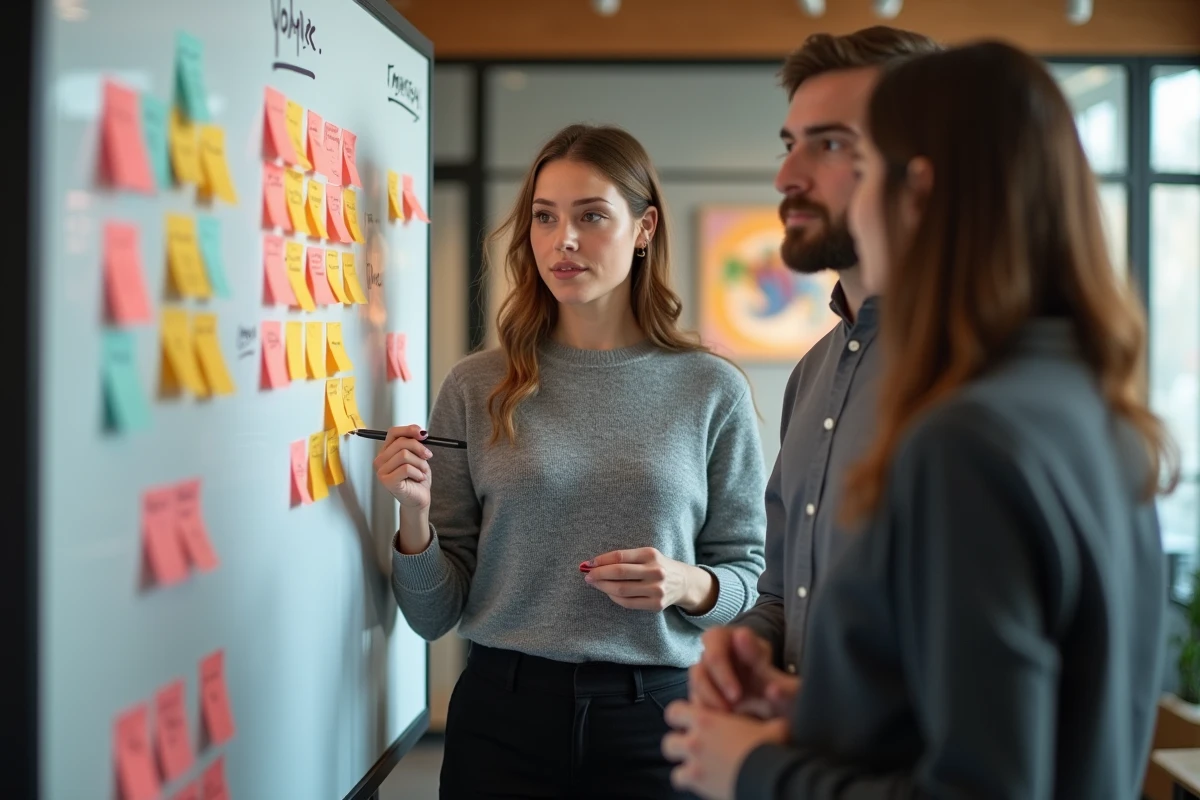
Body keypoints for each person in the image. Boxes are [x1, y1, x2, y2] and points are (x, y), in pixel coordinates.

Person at [663, 39, 1179, 800]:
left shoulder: (963, 437)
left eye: (857, 162)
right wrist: (821, 713)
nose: (792, 178)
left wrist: (755, 771)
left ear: (919, 190)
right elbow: (1021, 721)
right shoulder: (1087, 397)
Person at [372, 123, 767, 799]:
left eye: (591, 216)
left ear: (644, 228)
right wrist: (412, 517)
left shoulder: (710, 387)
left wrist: (685, 584)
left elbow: (750, 576)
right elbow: (434, 615)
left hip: (661, 717)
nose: (565, 241)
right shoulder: (476, 385)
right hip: (503, 716)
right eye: (545, 218)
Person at [688, 26, 941, 723]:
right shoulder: (813, 372)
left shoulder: (973, 376)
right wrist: (743, 648)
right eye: (789, 143)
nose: (786, 176)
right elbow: (782, 591)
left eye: (828, 144)